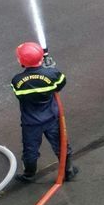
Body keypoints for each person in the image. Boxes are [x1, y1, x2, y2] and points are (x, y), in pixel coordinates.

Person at [11, 42, 77, 184]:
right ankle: (68, 171)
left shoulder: (17, 81)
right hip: (52, 118)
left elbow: (19, 94)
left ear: (20, 61)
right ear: (41, 58)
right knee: (61, 144)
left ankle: (29, 175)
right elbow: (61, 83)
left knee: (30, 150)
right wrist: (50, 69)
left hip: (30, 123)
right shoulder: (53, 75)